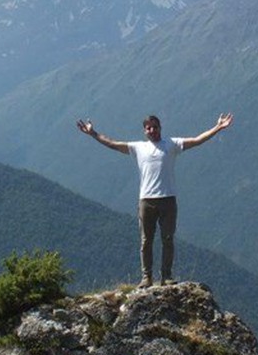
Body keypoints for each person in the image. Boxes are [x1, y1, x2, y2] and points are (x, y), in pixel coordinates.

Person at [76, 112, 233, 287]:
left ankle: (166, 276)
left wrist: (218, 127)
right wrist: (93, 133)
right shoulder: (138, 147)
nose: (152, 130)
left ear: (160, 128)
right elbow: (113, 144)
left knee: (167, 239)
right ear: (145, 131)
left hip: (168, 199)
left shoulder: (172, 144)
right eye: (148, 128)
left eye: (155, 127)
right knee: (146, 241)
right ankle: (147, 277)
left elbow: (197, 140)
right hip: (146, 200)